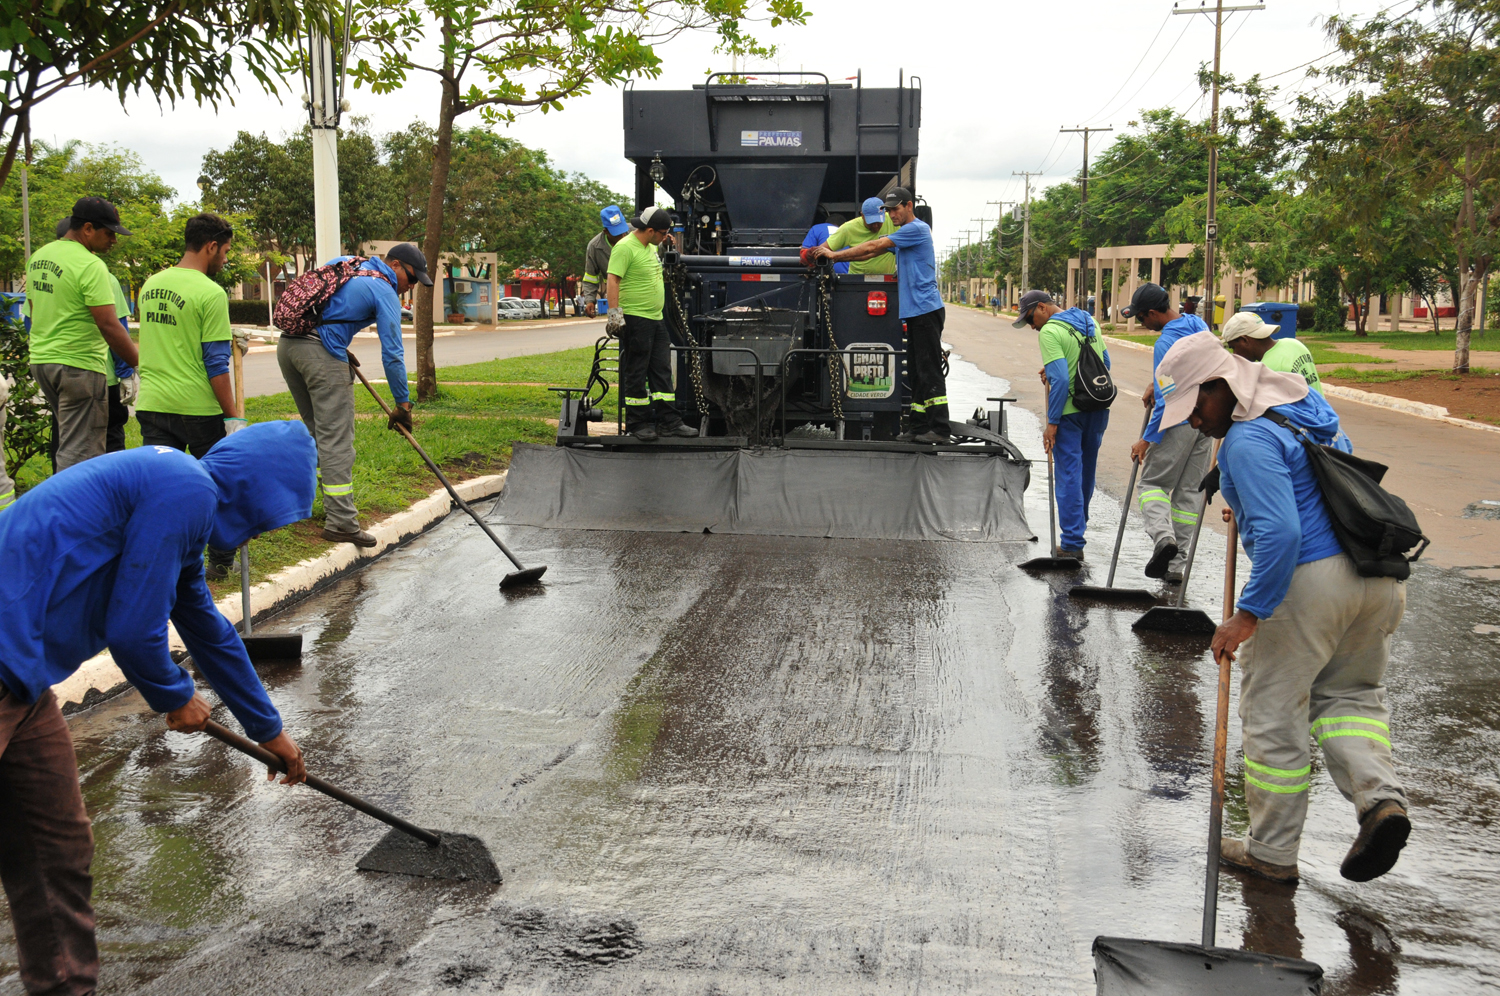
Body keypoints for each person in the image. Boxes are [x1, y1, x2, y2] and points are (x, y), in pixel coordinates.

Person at [0, 420, 316, 996]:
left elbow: (206, 629)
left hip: (20, 683)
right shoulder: (184, 488)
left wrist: (271, 733)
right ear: (256, 493)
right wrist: (175, 695)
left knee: (56, 847)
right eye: (267, 519)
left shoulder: (182, 508)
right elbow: (133, 632)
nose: (252, 538)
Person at [1155, 331, 1410, 885]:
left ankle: (1270, 853)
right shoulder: (1298, 401)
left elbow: (1281, 532)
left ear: (1222, 385)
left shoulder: (1245, 443)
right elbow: (1316, 472)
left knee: (1272, 715)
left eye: (1196, 404)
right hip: (1374, 577)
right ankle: (1380, 803)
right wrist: (1243, 492)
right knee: (1351, 697)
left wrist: (1247, 614)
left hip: (1311, 584)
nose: (1194, 421)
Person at [277, 243, 428, 546]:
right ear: (395, 265)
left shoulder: (350, 263)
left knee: (317, 433)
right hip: (319, 355)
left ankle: (320, 508)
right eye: (411, 279)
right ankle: (342, 523)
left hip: (289, 348)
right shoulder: (383, 289)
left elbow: (322, 307)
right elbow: (393, 354)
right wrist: (403, 404)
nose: (409, 287)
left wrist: (338, 346)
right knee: (336, 440)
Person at [135, 213, 248, 579]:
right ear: (211, 246)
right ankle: (219, 561)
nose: (226, 259)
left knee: (158, 490)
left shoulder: (151, 285)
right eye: (226, 251)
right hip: (198, 409)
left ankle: (159, 560)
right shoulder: (210, 293)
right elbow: (215, 363)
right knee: (217, 484)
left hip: (152, 404)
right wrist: (232, 416)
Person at [813, 187, 949, 443]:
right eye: (888, 210)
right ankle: (918, 428)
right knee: (918, 373)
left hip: (926, 310)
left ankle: (940, 429)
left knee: (929, 370)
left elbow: (876, 243)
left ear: (909, 206)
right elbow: (872, 250)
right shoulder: (902, 236)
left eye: (895, 209)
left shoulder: (916, 229)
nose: (892, 215)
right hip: (915, 311)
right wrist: (837, 254)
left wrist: (834, 254)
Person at [25, 198, 139, 471]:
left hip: (43, 363)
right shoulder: (90, 265)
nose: (114, 240)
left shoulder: (39, 257)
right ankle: (73, 512)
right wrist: (140, 363)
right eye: (109, 233)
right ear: (88, 228)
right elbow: (109, 325)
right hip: (79, 367)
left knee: (67, 441)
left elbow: (33, 309)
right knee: (81, 457)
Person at [1122, 283, 1214, 583]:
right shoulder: (1197, 324)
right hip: (1209, 420)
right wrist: (1154, 380)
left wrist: (1146, 440)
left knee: (1151, 485)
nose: (1141, 323)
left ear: (1152, 313)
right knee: (1189, 492)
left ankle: (1164, 538)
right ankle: (1177, 569)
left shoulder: (1165, 342)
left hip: (1179, 421)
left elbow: (1165, 400)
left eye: (1141, 318)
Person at [1015, 289, 1111, 559]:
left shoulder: (1050, 332)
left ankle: (1071, 542)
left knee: (1069, 473)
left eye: (1031, 318)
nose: (1032, 326)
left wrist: (1052, 423)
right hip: (1098, 407)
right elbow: (1105, 363)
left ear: (1043, 308)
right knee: (1085, 473)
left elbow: (1059, 380)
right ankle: (1077, 531)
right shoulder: (1089, 322)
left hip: (1070, 413)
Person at [605, 207, 695, 442]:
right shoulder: (624, 248)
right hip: (636, 318)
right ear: (651, 230)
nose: (665, 236)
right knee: (637, 370)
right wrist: (615, 316)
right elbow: (613, 279)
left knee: (661, 370)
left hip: (655, 318)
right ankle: (638, 422)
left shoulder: (652, 246)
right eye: (663, 233)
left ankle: (670, 422)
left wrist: (667, 246)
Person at [51, 216, 136, 454]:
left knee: (64, 437)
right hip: (95, 372)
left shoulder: (45, 269)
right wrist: (128, 371)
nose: (113, 241)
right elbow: (114, 326)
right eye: (109, 234)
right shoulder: (99, 273)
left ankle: (62, 484)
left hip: (52, 366)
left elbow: (31, 321)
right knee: (105, 441)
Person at [1220, 311, 1323, 393]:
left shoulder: (1267, 370)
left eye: (1233, 347)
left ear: (1244, 341)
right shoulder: (1295, 344)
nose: (1234, 354)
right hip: (1322, 415)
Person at [822, 197, 898, 274]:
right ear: (862, 215)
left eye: (879, 222)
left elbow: (871, 251)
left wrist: (836, 256)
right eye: (871, 222)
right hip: (857, 280)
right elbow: (823, 248)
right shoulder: (849, 228)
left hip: (887, 280)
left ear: (885, 213)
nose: (875, 226)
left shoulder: (894, 221)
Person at [582, 205, 631, 316]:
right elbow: (590, 278)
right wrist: (590, 300)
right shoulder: (594, 247)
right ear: (606, 231)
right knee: (619, 329)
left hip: (639, 294)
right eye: (617, 233)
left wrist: (665, 245)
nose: (623, 235)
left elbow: (654, 250)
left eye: (623, 229)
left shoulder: (635, 232)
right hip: (617, 297)